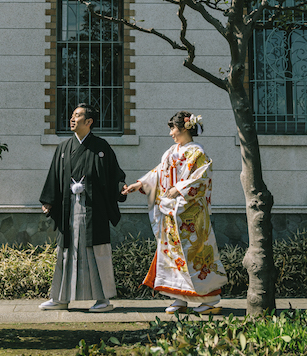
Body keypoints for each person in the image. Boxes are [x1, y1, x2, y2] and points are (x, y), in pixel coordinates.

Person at [122, 111, 227, 314]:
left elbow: (201, 178)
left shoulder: (198, 153)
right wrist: (140, 184)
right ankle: (180, 298)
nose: (171, 133)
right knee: (173, 257)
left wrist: (178, 189)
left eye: (173, 128)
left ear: (185, 128)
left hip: (191, 216)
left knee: (196, 255)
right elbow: (159, 172)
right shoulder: (172, 151)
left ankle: (211, 299)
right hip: (171, 212)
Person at [39, 103, 127, 312]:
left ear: (89, 122)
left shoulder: (101, 147)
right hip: (68, 208)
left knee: (94, 251)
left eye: (77, 116)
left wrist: (120, 187)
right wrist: (49, 201)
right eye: (72, 115)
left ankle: (103, 299)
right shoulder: (63, 148)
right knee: (66, 252)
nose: (72, 119)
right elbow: (54, 176)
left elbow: (114, 174)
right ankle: (60, 298)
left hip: (93, 209)